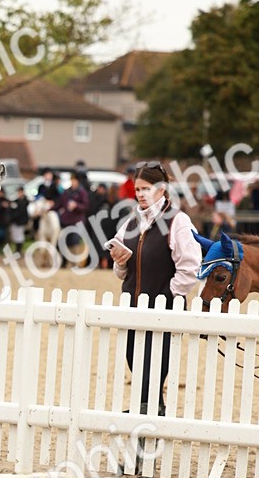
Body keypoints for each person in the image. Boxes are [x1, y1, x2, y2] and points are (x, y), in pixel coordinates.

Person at [109, 161, 201, 423]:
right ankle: (151, 417)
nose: (140, 194)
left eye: (146, 188)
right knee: (136, 366)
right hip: (132, 309)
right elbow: (121, 273)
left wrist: (168, 295)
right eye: (137, 189)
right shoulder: (130, 222)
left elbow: (190, 267)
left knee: (151, 372)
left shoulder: (178, 220)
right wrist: (120, 260)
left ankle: (144, 419)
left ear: (161, 190)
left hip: (162, 313)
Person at [57, 171, 89, 266]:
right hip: (66, 220)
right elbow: (60, 204)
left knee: (74, 241)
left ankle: (74, 262)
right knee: (64, 242)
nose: (73, 182)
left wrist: (76, 205)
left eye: (74, 180)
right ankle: (64, 262)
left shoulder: (82, 192)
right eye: (72, 180)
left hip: (77, 220)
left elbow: (86, 206)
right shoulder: (66, 192)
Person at [8, 187, 29, 253]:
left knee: (20, 236)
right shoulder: (16, 201)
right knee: (15, 235)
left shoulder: (26, 201)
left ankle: (19, 250)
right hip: (15, 221)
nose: (19, 193)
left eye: (20, 192)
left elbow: (23, 211)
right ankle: (17, 250)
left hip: (21, 221)